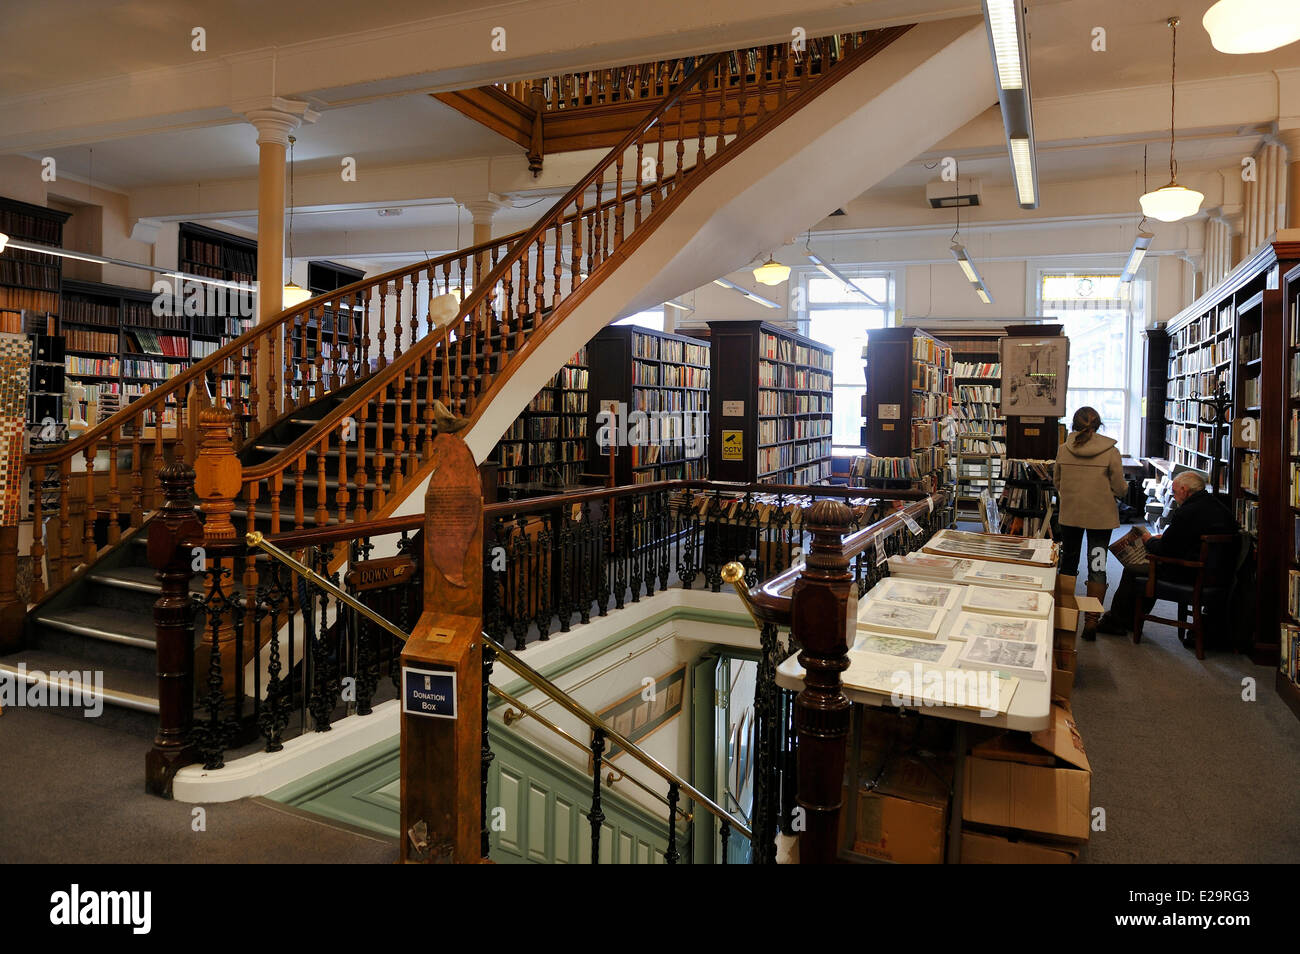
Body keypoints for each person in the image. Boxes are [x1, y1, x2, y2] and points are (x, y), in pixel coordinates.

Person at [1096, 470, 1236, 636]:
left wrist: (1149, 539)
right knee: (1149, 568)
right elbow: (1186, 538)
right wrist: (1165, 539)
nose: (1173, 496)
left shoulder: (1186, 512)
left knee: (1134, 569)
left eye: (1174, 492)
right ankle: (1129, 620)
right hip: (1218, 574)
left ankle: (1116, 621)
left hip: (1191, 573)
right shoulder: (1217, 506)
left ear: (1184, 490)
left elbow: (1165, 549)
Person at [1053, 407, 1128, 639]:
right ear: (1099, 425)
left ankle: (1064, 617)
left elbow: (1057, 482)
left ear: (1074, 425)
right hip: (1100, 518)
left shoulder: (1064, 450)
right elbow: (1120, 488)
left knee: (1068, 562)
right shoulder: (1111, 452)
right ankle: (1092, 621)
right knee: (1097, 564)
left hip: (1071, 515)